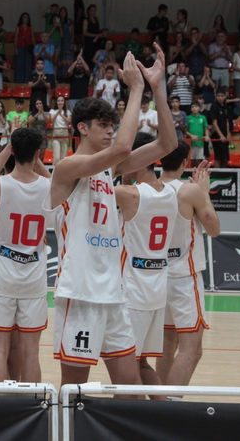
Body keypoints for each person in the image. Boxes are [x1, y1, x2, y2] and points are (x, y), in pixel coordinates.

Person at [45, 44, 177, 390]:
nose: (110, 131)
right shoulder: (68, 167)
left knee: (130, 388)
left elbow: (166, 144)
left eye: (112, 125)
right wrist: (135, 89)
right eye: (103, 125)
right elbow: (120, 147)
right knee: (74, 390)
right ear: (83, 129)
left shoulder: (111, 169)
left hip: (114, 294)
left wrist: (157, 88)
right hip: (81, 292)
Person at [0, 128, 51, 383]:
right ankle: (34, 408)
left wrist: (9, 148)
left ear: (11, 151)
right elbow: (49, 176)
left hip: (1, 276)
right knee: (31, 353)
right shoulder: (49, 187)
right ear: (37, 154)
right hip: (33, 277)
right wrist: (35, 159)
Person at [115, 132, 179, 396]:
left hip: (134, 292)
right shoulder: (173, 193)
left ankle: (131, 425)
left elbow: (87, 180)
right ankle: (164, 418)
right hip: (156, 289)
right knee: (142, 364)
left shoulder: (128, 194)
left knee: (125, 369)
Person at [157, 143, 220, 394]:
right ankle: (170, 408)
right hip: (184, 276)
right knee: (192, 350)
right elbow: (214, 230)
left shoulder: (149, 189)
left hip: (158, 276)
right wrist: (203, 192)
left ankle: (158, 404)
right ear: (186, 160)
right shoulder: (190, 192)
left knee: (167, 343)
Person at [210, 87, 232, 168]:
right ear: (216, 97)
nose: (220, 98)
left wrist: (228, 133)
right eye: (218, 96)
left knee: (225, 158)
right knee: (218, 157)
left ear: (225, 96)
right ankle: (217, 176)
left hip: (225, 135)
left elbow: (227, 120)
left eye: (222, 96)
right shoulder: (214, 106)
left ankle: (223, 175)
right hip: (217, 136)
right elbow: (214, 123)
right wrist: (221, 135)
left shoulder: (226, 106)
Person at [186, 101, 209, 167]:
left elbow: (206, 128)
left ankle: (198, 175)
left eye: (196, 106)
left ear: (199, 108)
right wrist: (191, 135)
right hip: (190, 143)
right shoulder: (188, 118)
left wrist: (207, 135)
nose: (194, 108)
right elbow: (185, 130)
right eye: (192, 107)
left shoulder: (203, 118)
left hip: (200, 142)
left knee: (198, 160)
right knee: (191, 160)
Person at [49, 95, 71, 164]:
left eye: (62, 101)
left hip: (64, 132)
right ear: (56, 102)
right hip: (56, 133)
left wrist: (61, 114)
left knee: (64, 158)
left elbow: (68, 121)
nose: (60, 102)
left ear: (64, 102)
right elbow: (52, 120)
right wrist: (58, 112)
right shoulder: (52, 111)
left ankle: (63, 173)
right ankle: (54, 173)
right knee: (57, 157)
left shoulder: (67, 111)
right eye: (58, 101)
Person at [14, 12, 35, 84]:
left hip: (28, 49)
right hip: (20, 48)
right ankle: (19, 81)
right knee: (20, 65)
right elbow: (16, 38)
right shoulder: (18, 27)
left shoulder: (31, 28)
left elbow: (32, 38)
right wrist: (15, 48)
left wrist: (34, 48)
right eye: (24, 17)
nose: (26, 19)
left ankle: (27, 81)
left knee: (28, 65)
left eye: (27, 17)